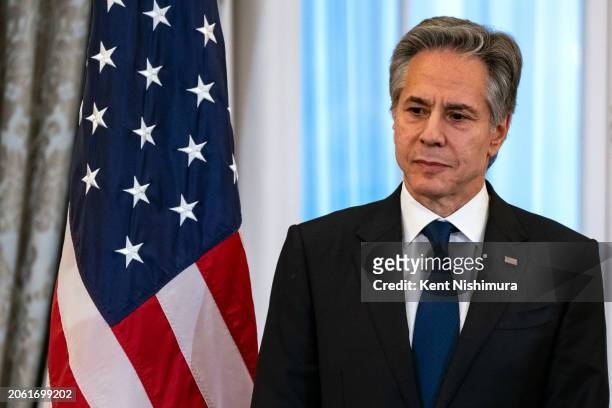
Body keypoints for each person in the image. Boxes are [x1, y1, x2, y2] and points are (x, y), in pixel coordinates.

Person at [251, 16, 608, 408]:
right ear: (394, 117)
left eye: (457, 115)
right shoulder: (316, 253)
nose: (431, 134)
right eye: (416, 109)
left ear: (498, 131)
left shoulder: (565, 263)